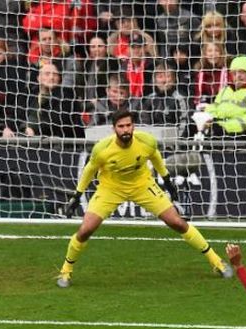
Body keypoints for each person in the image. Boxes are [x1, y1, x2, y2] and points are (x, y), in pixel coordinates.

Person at [57, 109, 233, 288]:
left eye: (128, 125)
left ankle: (216, 261)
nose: (125, 130)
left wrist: (167, 181)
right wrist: (77, 196)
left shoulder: (146, 141)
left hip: (142, 185)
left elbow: (155, 157)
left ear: (133, 126)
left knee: (177, 222)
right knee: (86, 230)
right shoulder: (102, 149)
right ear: (114, 129)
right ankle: (65, 272)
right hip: (111, 188)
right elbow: (89, 170)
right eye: (121, 126)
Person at [202, 56, 246, 140]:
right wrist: (211, 120)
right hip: (219, 132)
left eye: (241, 72)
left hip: (242, 137)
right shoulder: (225, 90)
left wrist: (226, 126)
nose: (238, 76)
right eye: (234, 73)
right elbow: (213, 108)